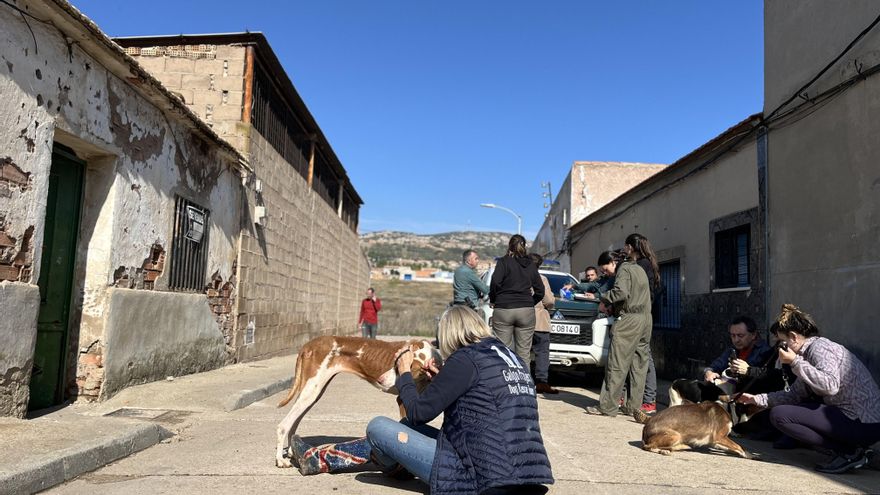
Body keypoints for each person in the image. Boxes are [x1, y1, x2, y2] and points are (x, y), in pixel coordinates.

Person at [290, 305, 555, 494]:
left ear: (450, 334)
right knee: (404, 432)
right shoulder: (507, 356)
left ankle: (324, 459)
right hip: (528, 475)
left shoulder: (466, 359)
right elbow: (480, 399)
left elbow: (417, 413)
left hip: (481, 477)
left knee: (380, 427)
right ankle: (326, 459)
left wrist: (404, 372)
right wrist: (442, 377)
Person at [737, 304, 880, 474]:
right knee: (780, 414)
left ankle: (849, 452)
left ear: (793, 337)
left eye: (781, 342)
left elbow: (830, 385)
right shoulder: (806, 353)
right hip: (851, 419)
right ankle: (849, 451)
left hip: (864, 421)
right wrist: (757, 399)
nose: (779, 348)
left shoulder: (820, 348)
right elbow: (796, 394)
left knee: (781, 415)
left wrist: (795, 362)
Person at [585, 235, 652, 418]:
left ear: (614, 262)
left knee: (616, 364)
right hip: (645, 320)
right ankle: (632, 407)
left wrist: (603, 298)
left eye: (606, 269)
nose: (606, 273)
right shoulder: (639, 269)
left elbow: (620, 292)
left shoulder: (625, 269)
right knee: (638, 364)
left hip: (629, 319)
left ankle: (607, 407)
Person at [489, 234, 545, 365]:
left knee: (504, 352)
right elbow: (540, 290)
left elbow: (495, 282)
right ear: (524, 247)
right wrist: (530, 302)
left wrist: (494, 299)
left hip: (504, 308)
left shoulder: (503, 262)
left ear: (510, 246)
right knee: (524, 353)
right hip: (526, 310)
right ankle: (524, 383)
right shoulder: (530, 265)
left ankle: (505, 384)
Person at [623, 233, 661, 413]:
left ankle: (648, 400)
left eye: (625, 246)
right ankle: (638, 398)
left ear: (630, 247)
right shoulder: (647, 263)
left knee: (645, 357)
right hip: (644, 315)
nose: (624, 250)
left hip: (640, 316)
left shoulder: (641, 265)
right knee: (639, 356)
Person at [703, 316, 773, 388]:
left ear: (753, 335)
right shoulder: (733, 349)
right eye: (733, 336)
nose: (736, 340)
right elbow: (716, 365)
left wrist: (748, 371)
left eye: (740, 336)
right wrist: (709, 372)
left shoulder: (766, 352)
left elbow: (769, 378)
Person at [530, 253, 558, 394]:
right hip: (540, 321)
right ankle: (541, 382)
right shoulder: (542, 279)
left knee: (522, 351)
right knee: (542, 352)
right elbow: (549, 300)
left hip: (523, 320)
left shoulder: (520, 277)